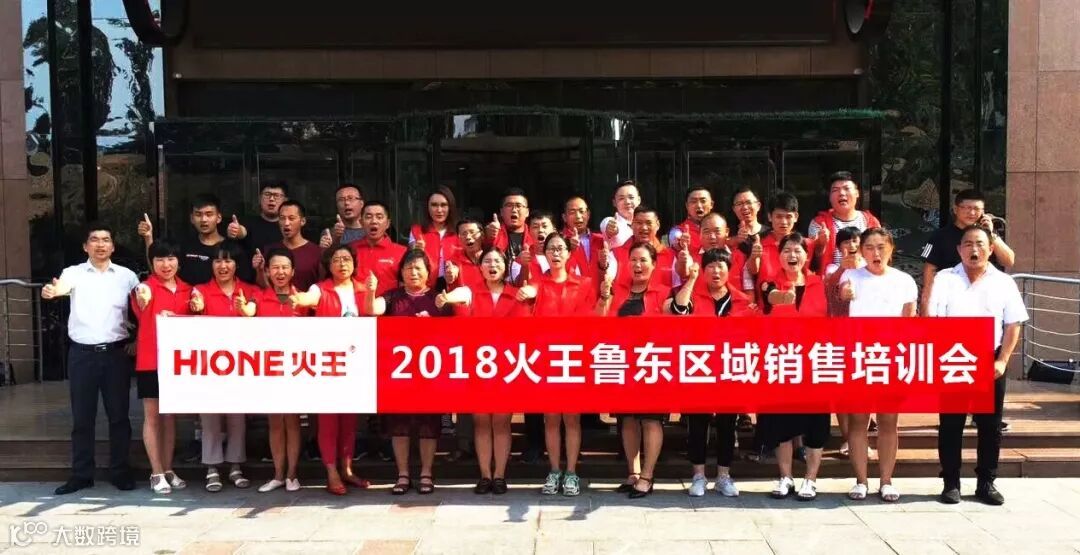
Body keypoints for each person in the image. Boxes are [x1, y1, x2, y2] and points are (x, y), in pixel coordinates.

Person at [928, 225, 1027, 506]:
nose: (974, 249)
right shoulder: (945, 278)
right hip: (953, 357)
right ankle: (951, 482)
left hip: (989, 358)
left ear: (991, 249)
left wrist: (1003, 360)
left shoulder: (1003, 282)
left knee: (990, 425)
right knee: (951, 424)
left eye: (980, 244)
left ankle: (986, 482)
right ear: (959, 249)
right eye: (968, 244)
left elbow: (1013, 324)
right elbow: (935, 319)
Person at [42, 224, 140, 495]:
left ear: (113, 246)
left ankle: (120, 471)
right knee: (82, 418)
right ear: (85, 246)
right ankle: (81, 474)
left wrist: (138, 340)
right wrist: (52, 291)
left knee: (119, 417)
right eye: (94, 240)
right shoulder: (73, 273)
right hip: (82, 355)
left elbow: (142, 307)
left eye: (106, 240)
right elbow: (60, 287)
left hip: (116, 355)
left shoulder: (127, 276)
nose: (100, 244)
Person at [666, 249, 756, 497]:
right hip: (699, 367)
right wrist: (692, 279)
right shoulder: (692, 295)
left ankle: (724, 476)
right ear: (703, 270)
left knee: (727, 424)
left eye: (721, 266)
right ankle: (698, 475)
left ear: (729, 270)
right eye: (710, 267)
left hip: (729, 368)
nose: (716, 271)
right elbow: (678, 310)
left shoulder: (741, 300)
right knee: (698, 423)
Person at [438, 247, 528, 495]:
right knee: (481, 423)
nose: (492, 265)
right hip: (478, 368)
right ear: (480, 267)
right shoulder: (472, 292)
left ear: (505, 266)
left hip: (507, 367)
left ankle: (500, 475)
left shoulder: (516, 294)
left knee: (501, 422)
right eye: (487, 261)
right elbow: (461, 294)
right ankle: (485, 475)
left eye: (497, 261)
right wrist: (447, 298)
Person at [517, 234, 599, 496]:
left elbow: (590, 320)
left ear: (568, 253)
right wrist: (526, 294)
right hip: (546, 359)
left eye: (560, 248)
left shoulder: (584, 284)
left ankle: (572, 472)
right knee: (551, 418)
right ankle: (554, 470)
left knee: (572, 419)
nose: (555, 253)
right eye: (551, 249)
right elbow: (525, 312)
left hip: (573, 358)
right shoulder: (538, 284)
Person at [839, 228, 917, 502]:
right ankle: (861, 481)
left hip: (891, 357)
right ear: (861, 251)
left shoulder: (905, 281)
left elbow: (909, 321)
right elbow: (841, 296)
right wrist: (845, 292)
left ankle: (886, 481)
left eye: (881, 247)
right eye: (869, 247)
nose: (876, 253)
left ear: (891, 249)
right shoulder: (851, 276)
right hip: (859, 356)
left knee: (888, 421)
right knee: (858, 421)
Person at [366, 250, 452, 494]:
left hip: (430, 372)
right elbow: (373, 309)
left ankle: (426, 473)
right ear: (401, 272)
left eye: (418, 268)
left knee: (428, 425)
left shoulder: (438, 299)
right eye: (408, 268)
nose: (413, 272)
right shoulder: (392, 297)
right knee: (399, 425)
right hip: (398, 373)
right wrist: (371, 291)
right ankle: (402, 474)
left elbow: (451, 333)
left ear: (428, 273)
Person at [290, 245, 373, 495]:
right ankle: (331, 472)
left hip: (356, 363)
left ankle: (347, 468)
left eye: (346, 259)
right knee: (328, 421)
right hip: (327, 364)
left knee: (349, 421)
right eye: (336, 259)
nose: (342, 264)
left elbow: (372, 312)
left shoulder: (363, 289)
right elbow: (308, 298)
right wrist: (299, 299)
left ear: (354, 264)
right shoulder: (320, 288)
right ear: (328, 265)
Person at [759, 233, 829, 501]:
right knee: (782, 424)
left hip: (815, 361)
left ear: (806, 255)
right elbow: (772, 297)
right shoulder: (769, 282)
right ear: (778, 256)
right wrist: (782, 296)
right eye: (787, 250)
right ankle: (785, 476)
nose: (792, 255)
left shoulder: (819, 283)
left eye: (797, 250)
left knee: (815, 425)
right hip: (783, 360)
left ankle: (810, 479)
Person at [597, 242, 668, 499]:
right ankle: (633, 472)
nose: (638, 265)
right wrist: (604, 298)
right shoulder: (617, 290)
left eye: (643, 260)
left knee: (650, 419)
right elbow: (600, 321)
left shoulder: (663, 292)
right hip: (623, 363)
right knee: (626, 419)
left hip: (652, 363)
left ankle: (647, 476)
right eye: (633, 260)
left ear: (654, 264)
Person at [188, 241, 258, 492]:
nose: (223, 266)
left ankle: (235, 465)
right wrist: (195, 308)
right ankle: (212, 467)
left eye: (228, 260)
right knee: (210, 418)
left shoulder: (249, 290)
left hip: (241, 365)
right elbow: (192, 314)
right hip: (209, 365)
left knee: (237, 417)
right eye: (218, 260)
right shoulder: (200, 291)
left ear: (236, 264)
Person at [131, 239, 192, 494]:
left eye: (170, 259)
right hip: (151, 361)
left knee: (170, 418)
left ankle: (168, 469)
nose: (166, 265)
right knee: (153, 416)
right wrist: (143, 298)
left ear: (178, 261)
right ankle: (156, 472)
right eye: (159, 260)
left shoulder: (189, 290)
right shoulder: (145, 288)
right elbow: (141, 301)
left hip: (178, 362)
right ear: (152, 263)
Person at [247, 248, 308, 493]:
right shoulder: (258, 296)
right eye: (275, 267)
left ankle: (292, 474)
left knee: (292, 421)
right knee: (274, 422)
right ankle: (278, 474)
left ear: (293, 271)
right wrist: (244, 309)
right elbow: (249, 312)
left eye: (284, 267)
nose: (280, 272)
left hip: (295, 368)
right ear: (267, 271)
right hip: (269, 368)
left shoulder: (302, 299)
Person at [920, 189, 1016, 316]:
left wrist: (990, 233)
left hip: (984, 296)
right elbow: (929, 270)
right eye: (967, 208)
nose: (972, 213)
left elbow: (1009, 261)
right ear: (955, 209)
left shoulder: (987, 236)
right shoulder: (939, 236)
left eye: (977, 209)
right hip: (951, 296)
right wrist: (926, 304)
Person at [823, 227, 866, 457]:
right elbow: (830, 286)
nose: (851, 245)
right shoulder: (833, 268)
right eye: (846, 242)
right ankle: (848, 438)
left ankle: (861, 440)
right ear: (839, 247)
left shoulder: (870, 268)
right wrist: (844, 268)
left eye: (855, 241)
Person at [139, 194, 226, 286]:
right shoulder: (184, 245)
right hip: (186, 295)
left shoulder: (229, 248)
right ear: (192, 218)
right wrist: (148, 237)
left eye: (209, 214)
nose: (203, 219)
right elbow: (159, 272)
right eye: (198, 214)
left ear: (218, 218)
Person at [807, 171, 882, 275]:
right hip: (832, 280)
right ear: (830, 197)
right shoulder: (819, 224)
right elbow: (811, 264)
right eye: (835, 190)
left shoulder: (871, 221)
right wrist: (820, 246)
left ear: (857, 193)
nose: (841, 193)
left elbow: (881, 255)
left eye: (846, 188)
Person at [256, 200, 322, 291]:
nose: (286, 223)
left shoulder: (316, 252)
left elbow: (322, 286)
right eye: (282, 218)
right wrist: (259, 270)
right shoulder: (269, 250)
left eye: (291, 218)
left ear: (302, 221)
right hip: (275, 300)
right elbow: (263, 287)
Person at [612, 205, 681, 290]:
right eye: (639, 223)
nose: (644, 228)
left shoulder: (670, 256)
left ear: (657, 225)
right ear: (632, 225)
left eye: (648, 223)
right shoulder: (616, 254)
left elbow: (676, 290)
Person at [410, 186, 460, 289]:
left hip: (455, 287)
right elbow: (410, 261)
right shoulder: (417, 231)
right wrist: (416, 251)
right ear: (427, 207)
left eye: (443, 205)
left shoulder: (460, 232)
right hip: (424, 287)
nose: (439, 210)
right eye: (434, 205)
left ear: (450, 207)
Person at [353, 201, 407, 297]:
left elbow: (407, 287)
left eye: (379, 217)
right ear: (361, 222)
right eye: (368, 217)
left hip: (389, 304)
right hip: (355, 305)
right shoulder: (350, 250)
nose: (374, 221)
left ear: (388, 223)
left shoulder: (402, 252)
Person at [228, 181, 288, 257]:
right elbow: (242, 231)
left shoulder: (288, 225)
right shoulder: (249, 221)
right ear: (259, 198)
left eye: (277, 195)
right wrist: (236, 230)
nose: (271, 199)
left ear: (285, 200)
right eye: (267, 194)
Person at [563, 196, 610, 289]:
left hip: (599, 294)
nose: (578, 216)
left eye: (582, 211)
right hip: (573, 294)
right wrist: (566, 247)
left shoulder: (601, 240)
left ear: (588, 214)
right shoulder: (560, 242)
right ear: (564, 217)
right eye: (572, 212)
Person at [485, 188, 535, 261]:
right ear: (501, 212)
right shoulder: (493, 233)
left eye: (519, 206)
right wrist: (488, 238)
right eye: (509, 205)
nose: (514, 210)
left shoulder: (535, 235)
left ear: (527, 212)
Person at [510, 210, 556, 285]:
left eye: (544, 226)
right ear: (529, 231)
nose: (540, 230)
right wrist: (524, 266)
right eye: (535, 227)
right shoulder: (520, 259)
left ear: (554, 230)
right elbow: (519, 285)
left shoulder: (564, 255)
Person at [667, 186, 714, 254]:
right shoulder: (679, 231)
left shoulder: (721, 229)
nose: (699, 205)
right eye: (693, 201)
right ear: (687, 206)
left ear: (711, 204)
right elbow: (675, 241)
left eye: (703, 201)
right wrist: (680, 243)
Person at [445, 218, 485, 291]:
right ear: (459, 239)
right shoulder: (454, 262)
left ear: (482, 235)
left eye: (472, 232)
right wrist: (450, 278)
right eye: (464, 234)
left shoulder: (492, 258)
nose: (468, 237)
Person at [600, 180, 641, 248]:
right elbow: (606, 224)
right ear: (614, 202)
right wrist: (611, 229)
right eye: (621, 198)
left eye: (631, 197)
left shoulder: (644, 225)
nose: (627, 202)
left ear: (639, 200)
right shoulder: (611, 221)